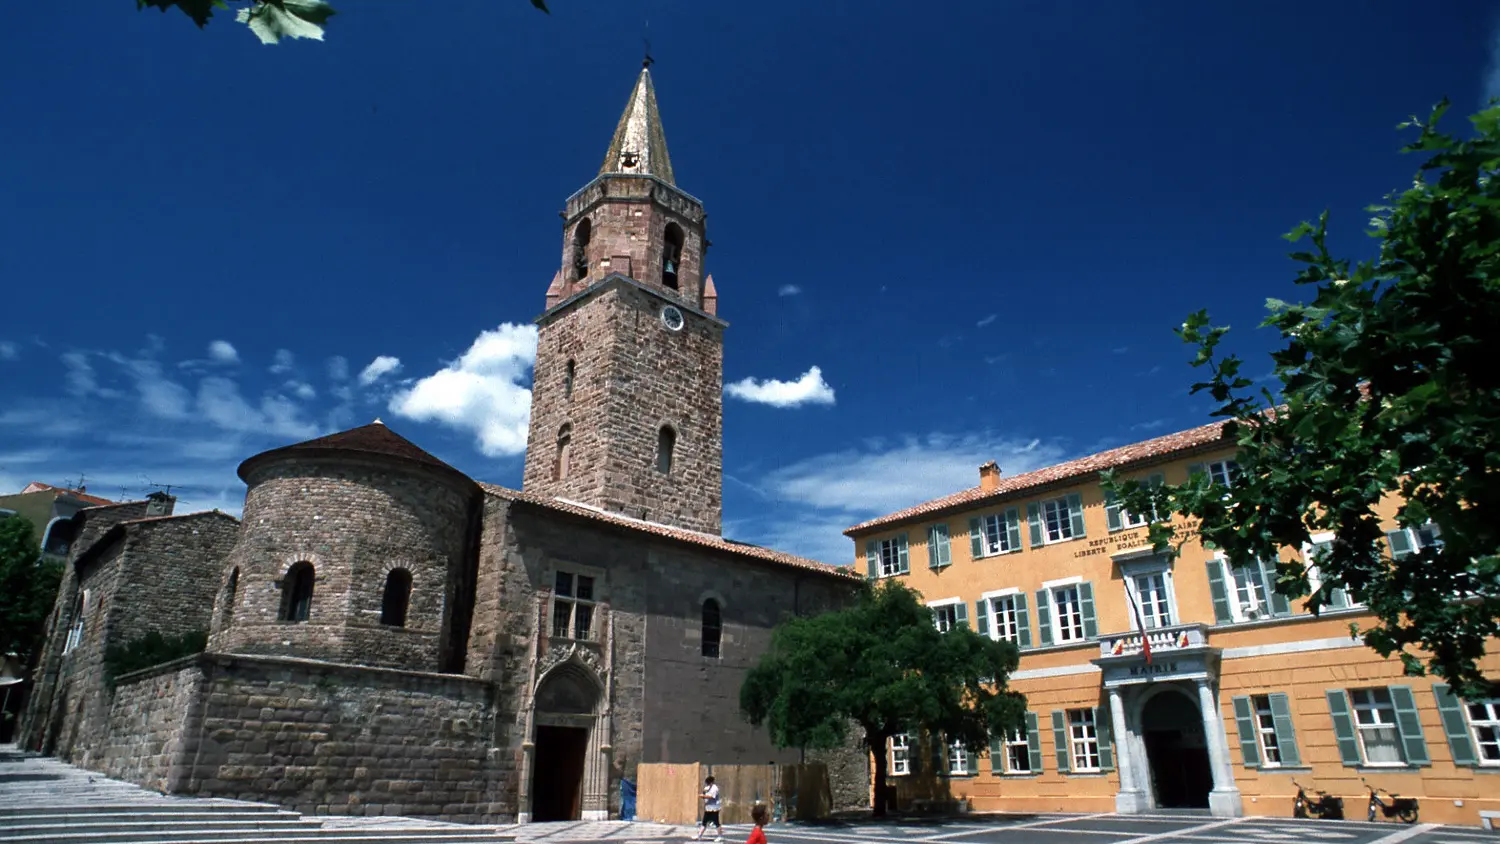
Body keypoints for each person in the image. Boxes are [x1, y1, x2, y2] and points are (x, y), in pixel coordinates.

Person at [694, 775, 722, 841]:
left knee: (716, 822)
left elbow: (712, 796)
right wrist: (703, 794)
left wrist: (703, 796)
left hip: (714, 808)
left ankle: (720, 836)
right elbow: (705, 793)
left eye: (708, 783)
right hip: (708, 807)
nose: (707, 784)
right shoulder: (707, 787)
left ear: (711, 782)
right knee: (704, 821)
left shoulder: (715, 788)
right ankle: (699, 836)